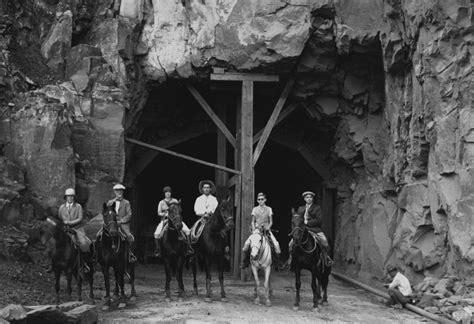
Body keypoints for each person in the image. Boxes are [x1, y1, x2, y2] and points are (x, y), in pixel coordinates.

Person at [48, 188, 92, 273]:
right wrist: (61, 224)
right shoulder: (62, 207)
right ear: (66, 197)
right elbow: (60, 218)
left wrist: (70, 222)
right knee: (51, 242)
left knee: (84, 243)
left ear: (74, 197)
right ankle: (52, 263)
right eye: (68, 196)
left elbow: (80, 218)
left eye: (72, 196)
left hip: (76, 228)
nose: (70, 198)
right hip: (64, 229)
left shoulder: (78, 206)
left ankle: (84, 264)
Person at [286, 191, 333, 269]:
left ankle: (327, 258)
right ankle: (291, 259)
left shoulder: (317, 208)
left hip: (314, 229)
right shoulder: (301, 208)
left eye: (310, 197)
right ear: (304, 199)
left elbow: (319, 220)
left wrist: (307, 222)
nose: (309, 199)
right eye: (307, 197)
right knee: (290, 244)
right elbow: (297, 219)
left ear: (312, 199)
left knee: (324, 240)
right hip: (303, 230)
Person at [241, 192, 281, 268]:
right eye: (259, 199)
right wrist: (253, 227)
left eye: (262, 199)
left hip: (266, 230)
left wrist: (268, 227)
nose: (260, 201)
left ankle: (276, 262)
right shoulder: (255, 209)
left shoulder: (269, 209)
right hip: (257, 230)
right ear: (257, 200)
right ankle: (245, 261)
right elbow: (253, 221)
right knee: (246, 245)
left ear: (265, 200)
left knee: (276, 245)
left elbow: (271, 221)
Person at [153, 186, 192, 257]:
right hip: (165, 220)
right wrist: (166, 214)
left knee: (187, 231)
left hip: (176, 220)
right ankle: (158, 250)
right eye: (166, 192)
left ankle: (189, 248)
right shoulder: (161, 202)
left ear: (171, 193)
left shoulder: (175, 201)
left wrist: (175, 215)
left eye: (169, 192)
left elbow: (179, 210)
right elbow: (159, 213)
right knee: (157, 233)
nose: (168, 194)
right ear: (164, 194)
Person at [107, 183, 136, 263]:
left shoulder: (126, 202)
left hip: (122, 224)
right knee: (99, 235)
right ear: (114, 192)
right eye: (117, 191)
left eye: (120, 191)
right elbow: (106, 213)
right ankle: (98, 256)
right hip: (112, 224)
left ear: (123, 192)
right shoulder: (110, 202)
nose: (119, 192)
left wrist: (121, 221)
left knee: (129, 237)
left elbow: (129, 215)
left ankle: (130, 254)